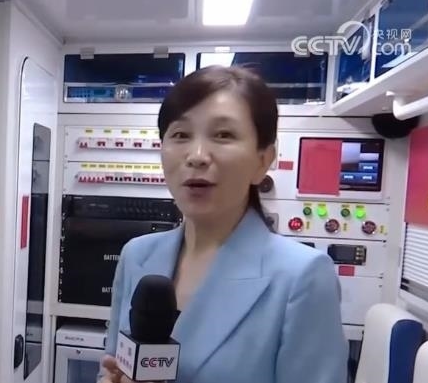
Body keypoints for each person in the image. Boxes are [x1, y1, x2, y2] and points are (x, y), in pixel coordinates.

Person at [98, 66, 348, 383]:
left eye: (223, 135)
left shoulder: (302, 276)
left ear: (263, 160)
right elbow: (111, 366)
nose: (197, 156)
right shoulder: (137, 255)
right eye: (180, 135)